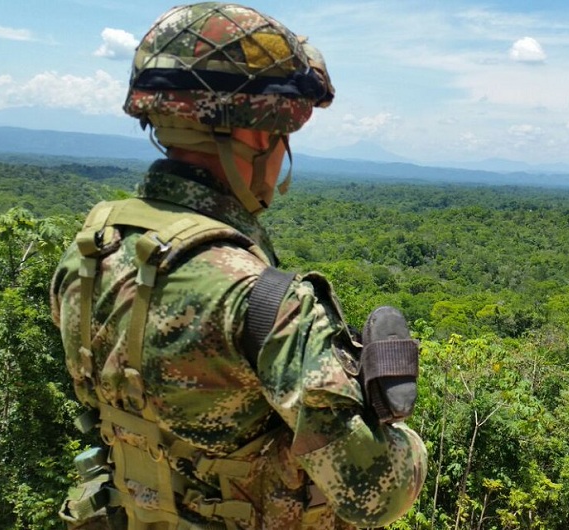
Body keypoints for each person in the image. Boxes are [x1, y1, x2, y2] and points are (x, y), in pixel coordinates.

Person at [50, 3, 426, 529]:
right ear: (253, 137)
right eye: (282, 139)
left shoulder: (92, 252)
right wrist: (401, 436)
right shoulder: (265, 301)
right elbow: (373, 496)